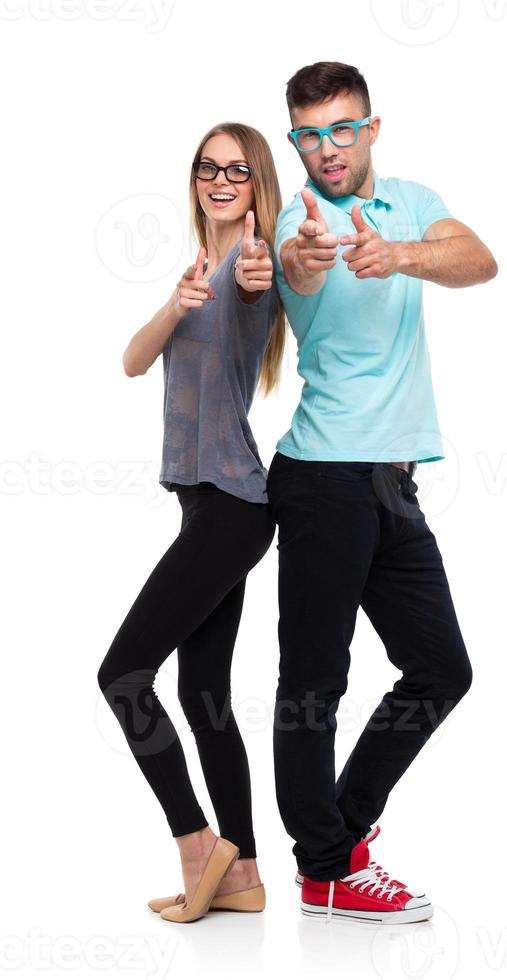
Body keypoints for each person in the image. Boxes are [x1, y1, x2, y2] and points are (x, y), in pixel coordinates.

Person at [267, 61, 498, 923]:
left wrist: (399, 252)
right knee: (314, 682)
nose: (327, 149)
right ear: (295, 141)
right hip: (323, 479)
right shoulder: (297, 222)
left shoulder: (408, 199)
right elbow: (295, 264)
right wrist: (312, 253)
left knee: (440, 668)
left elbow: (479, 260)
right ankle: (324, 869)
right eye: (309, 134)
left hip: (392, 482)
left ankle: (344, 832)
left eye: (341, 128)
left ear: (369, 128)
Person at [97, 122, 284, 923]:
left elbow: (255, 287)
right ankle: (241, 878)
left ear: (255, 182)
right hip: (211, 507)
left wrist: (248, 269)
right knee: (203, 692)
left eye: (236, 169)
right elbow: (133, 360)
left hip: (233, 506)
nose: (218, 178)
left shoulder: (250, 264)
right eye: (207, 167)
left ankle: (199, 847)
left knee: (121, 675)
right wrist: (176, 302)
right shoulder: (196, 271)